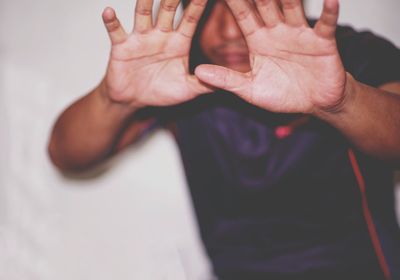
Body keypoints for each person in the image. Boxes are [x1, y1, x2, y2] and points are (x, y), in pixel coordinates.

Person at [48, 0, 400, 279]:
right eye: (210, 3)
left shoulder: (340, 54)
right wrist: (114, 100)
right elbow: (66, 155)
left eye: (249, 2)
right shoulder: (180, 72)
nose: (229, 29)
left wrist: (344, 102)